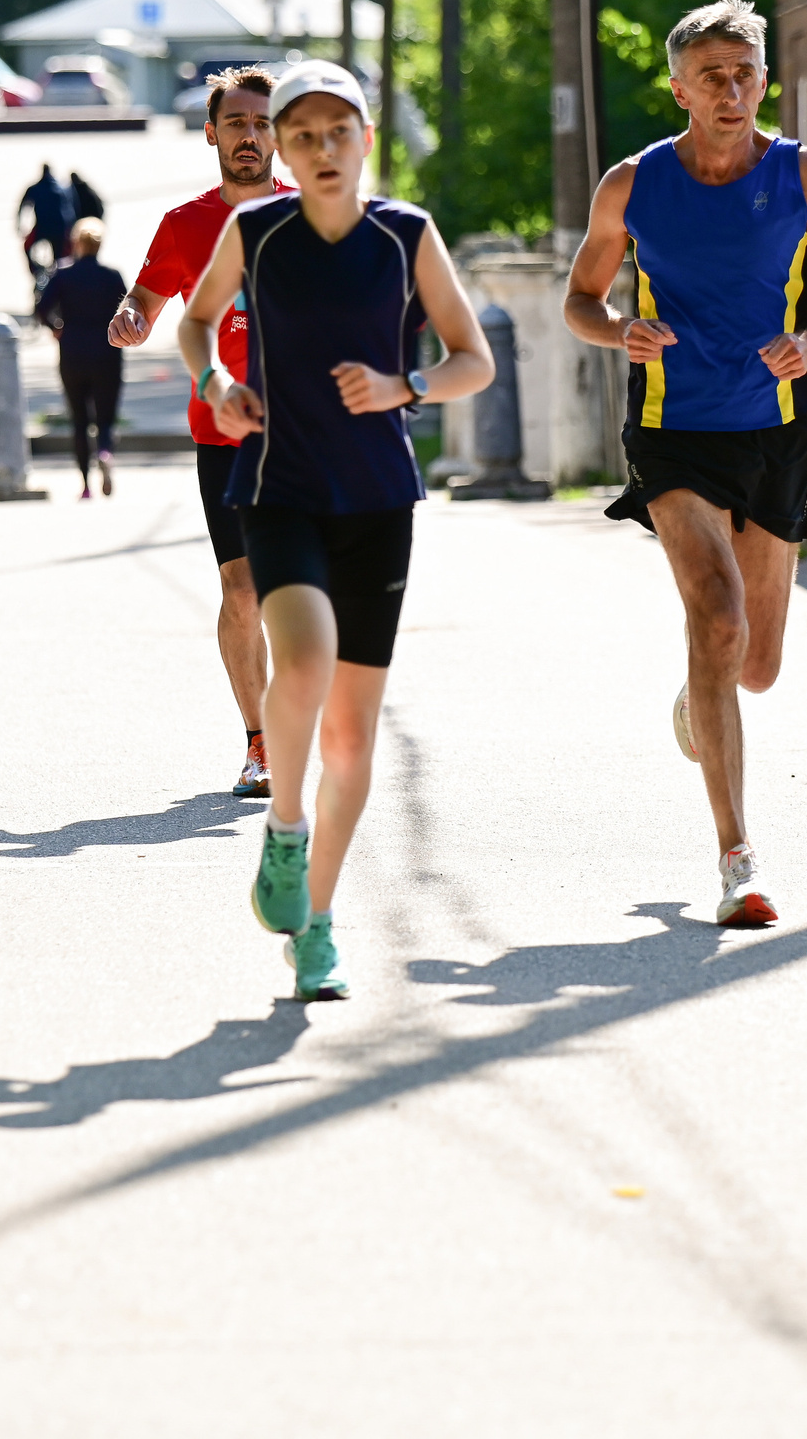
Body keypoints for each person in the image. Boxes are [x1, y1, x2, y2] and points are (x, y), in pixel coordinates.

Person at [560, 0, 807, 928]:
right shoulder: (633, 184)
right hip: (673, 430)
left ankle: (702, 700)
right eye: (712, 75)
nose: (732, 89)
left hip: (776, 426)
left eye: (745, 73)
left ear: (763, 82)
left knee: (757, 665)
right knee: (716, 619)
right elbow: (580, 299)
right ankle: (737, 858)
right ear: (678, 88)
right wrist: (620, 329)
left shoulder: (804, 175)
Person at [178, 59, 494, 1002]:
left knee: (352, 738)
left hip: (378, 499)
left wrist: (411, 387)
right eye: (301, 134)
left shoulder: (407, 236)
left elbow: (472, 358)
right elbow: (195, 326)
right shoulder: (255, 229)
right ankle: (284, 823)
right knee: (304, 663)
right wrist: (216, 386)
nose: (320, 150)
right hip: (277, 485)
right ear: (280, 141)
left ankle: (314, 924)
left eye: (338, 132)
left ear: (366, 139)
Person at [111, 64, 293, 798]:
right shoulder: (186, 226)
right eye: (236, 124)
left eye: (262, 122)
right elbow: (146, 299)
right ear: (212, 132)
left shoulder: (316, 210)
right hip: (223, 435)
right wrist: (128, 318)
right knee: (244, 590)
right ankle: (261, 743)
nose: (249, 137)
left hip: (311, 436)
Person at [32, 218, 126, 499]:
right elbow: (128, 307)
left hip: (72, 352)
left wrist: (55, 328)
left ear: (77, 243)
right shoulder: (112, 276)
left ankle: (85, 485)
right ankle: (106, 451)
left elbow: (41, 308)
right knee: (105, 416)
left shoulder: (63, 274)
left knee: (79, 419)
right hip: (107, 351)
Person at [18, 163, 76, 285]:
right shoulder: (62, 187)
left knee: (27, 246)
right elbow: (71, 208)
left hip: (41, 228)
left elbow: (23, 206)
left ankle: (36, 272)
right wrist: (71, 229)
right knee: (60, 258)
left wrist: (20, 226)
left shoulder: (34, 188)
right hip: (60, 228)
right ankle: (59, 279)